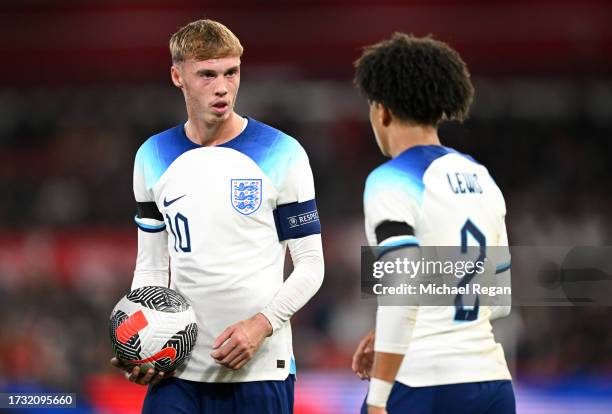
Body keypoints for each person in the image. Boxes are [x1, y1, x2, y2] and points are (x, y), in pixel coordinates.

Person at [111, 19, 324, 414]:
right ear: (178, 76)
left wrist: (261, 325)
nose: (222, 87)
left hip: (261, 369)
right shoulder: (152, 157)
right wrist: (139, 343)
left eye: (231, 72)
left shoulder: (283, 153)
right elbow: (152, 270)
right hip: (177, 372)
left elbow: (312, 266)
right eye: (207, 75)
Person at [351, 33, 515, 414]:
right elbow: (500, 300)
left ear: (382, 111)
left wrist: (377, 399)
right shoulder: (482, 177)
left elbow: (401, 291)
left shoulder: (389, 180)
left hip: (422, 385)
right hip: (492, 384)